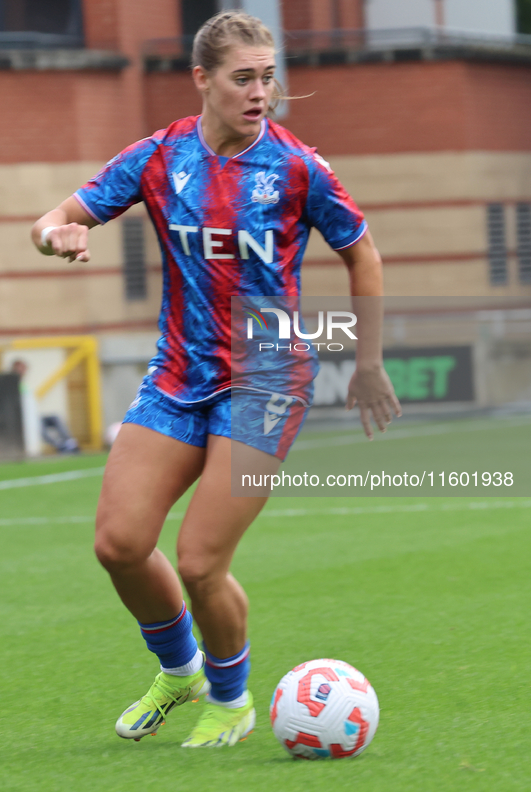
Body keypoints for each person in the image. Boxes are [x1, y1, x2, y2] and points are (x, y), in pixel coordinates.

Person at [31, 11, 400, 749]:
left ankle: (231, 699)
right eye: (243, 78)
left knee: (200, 561)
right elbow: (55, 218)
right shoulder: (159, 157)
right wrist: (56, 235)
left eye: (268, 78)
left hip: (266, 382)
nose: (260, 92)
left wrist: (366, 364)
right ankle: (181, 673)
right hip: (177, 377)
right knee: (119, 543)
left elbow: (364, 255)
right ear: (202, 79)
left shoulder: (297, 167)